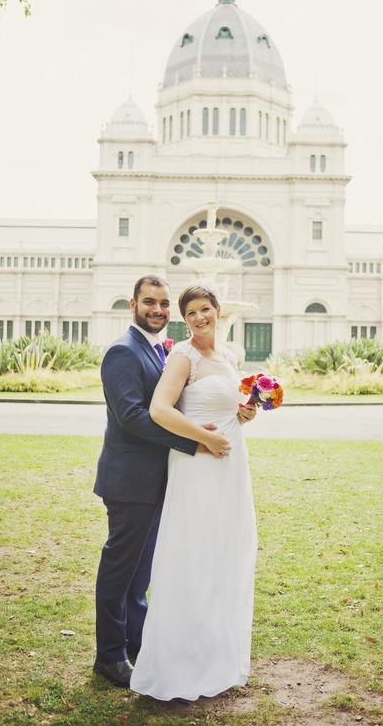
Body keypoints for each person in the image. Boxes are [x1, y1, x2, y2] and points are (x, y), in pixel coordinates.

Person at [91, 276, 233, 688]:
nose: (157, 309)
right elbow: (133, 417)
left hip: (160, 480)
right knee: (120, 570)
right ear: (132, 303)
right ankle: (110, 655)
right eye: (149, 302)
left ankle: (138, 641)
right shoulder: (122, 351)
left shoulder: (161, 349)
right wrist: (194, 442)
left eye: (164, 303)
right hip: (129, 481)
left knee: (141, 574)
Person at [129, 283, 259, 701]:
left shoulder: (230, 355)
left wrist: (246, 413)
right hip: (198, 465)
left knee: (225, 553)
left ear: (219, 310)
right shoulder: (182, 356)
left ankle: (216, 656)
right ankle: (180, 665)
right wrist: (204, 441)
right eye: (191, 313)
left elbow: (228, 408)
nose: (200, 318)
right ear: (185, 320)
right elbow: (159, 410)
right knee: (195, 555)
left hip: (232, 465)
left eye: (206, 309)